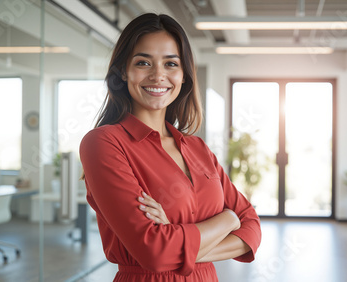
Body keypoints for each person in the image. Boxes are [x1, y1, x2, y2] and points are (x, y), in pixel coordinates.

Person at [79, 13, 261, 281]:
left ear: (184, 75)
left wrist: (182, 246)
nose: (158, 75)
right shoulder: (104, 143)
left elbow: (252, 228)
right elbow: (154, 253)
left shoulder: (198, 148)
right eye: (143, 62)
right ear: (123, 72)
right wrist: (228, 221)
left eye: (171, 64)